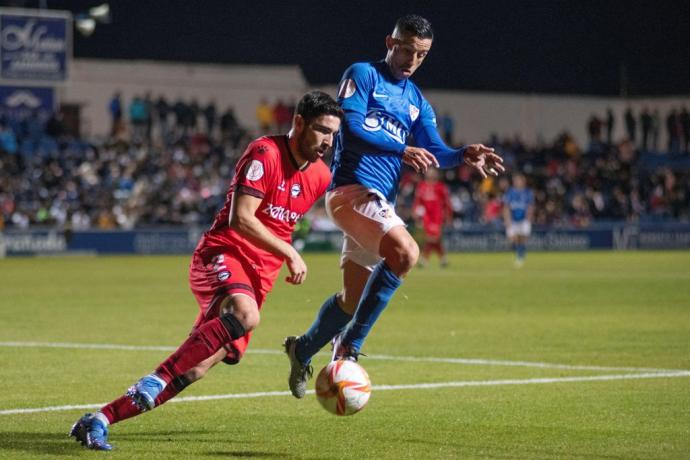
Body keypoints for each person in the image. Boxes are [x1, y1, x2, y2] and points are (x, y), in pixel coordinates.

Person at [69, 91, 344, 451]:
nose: (327, 141)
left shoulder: (321, 176)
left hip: (259, 277)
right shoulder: (266, 153)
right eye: (321, 130)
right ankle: (156, 377)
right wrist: (289, 251)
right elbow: (241, 218)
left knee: (194, 369)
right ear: (298, 123)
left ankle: (99, 419)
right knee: (246, 315)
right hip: (222, 253)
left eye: (333, 135)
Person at [283, 14, 505, 398]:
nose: (411, 60)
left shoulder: (416, 101)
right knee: (406, 251)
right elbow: (349, 129)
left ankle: (301, 348)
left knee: (352, 300)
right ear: (390, 42)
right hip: (351, 190)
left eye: (420, 54)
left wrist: (463, 153)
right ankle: (349, 346)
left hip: (376, 201)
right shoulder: (364, 75)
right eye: (405, 50)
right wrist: (401, 149)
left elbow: (435, 150)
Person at [412, 167, 452, 267]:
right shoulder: (422, 186)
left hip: (437, 216)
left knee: (434, 238)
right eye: (429, 173)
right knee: (432, 238)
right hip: (427, 216)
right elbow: (418, 201)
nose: (430, 175)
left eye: (432, 173)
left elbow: (447, 203)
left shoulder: (440, 187)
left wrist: (448, 216)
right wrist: (415, 212)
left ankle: (424, 259)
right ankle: (442, 259)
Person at [502, 173, 534, 267]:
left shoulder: (528, 192)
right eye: (515, 180)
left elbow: (530, 207)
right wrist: (507, 220)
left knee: (522, 238)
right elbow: (506, 207)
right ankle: (520, 254)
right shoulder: (510, 192)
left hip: (524, 219)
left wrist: (528, 219)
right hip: (513, 219)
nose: (517, 182)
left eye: (519, 180)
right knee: (513, 239)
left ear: (523, 181)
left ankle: (520, 256)